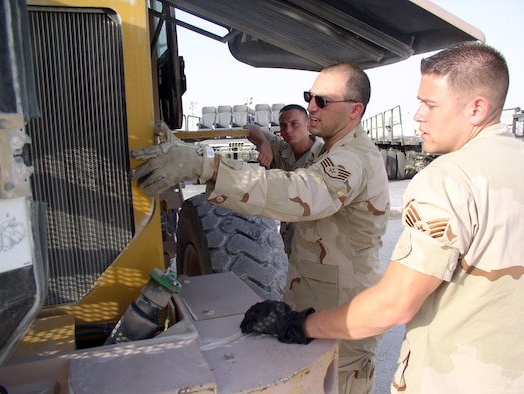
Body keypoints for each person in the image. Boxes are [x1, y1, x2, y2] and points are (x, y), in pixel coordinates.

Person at [240, 42, 524, 393]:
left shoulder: (451, 179)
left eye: (429, 104)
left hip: (459, 377)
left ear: (476, 108)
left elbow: (394, 303)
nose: (418, 115)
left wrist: (299, 323)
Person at [130, 63, 390, 393]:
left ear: (355, 110)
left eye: (322, 101)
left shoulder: (352, 159)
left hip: (342, 318)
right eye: (310, 97)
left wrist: (207, 166)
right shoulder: (330, 150)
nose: (311, 107)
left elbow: (298, 192)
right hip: (316, 309)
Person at [246, 104, 323, 255]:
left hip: (316, 240)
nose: (288, 130)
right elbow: (249, 128)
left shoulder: (325, 154)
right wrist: (264, 143)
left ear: (308, 125)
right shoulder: (281, 148)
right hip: (288, 237)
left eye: (294, 124)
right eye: (283, 125)